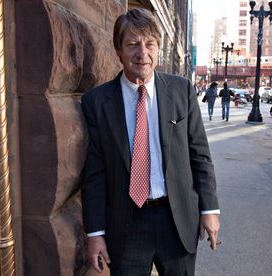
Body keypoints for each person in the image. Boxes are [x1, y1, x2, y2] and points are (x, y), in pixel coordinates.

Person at [80, 8, 220, 275]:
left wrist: (210, 209)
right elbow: (94, 174)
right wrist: (95, 233)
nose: (142, 53)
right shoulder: (97, 102)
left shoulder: (182, 92)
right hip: (126, 224)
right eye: (132, 44)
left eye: (149, 44)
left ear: (158, 48)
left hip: (176, 219)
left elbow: (199, 154)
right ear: (119, 50)